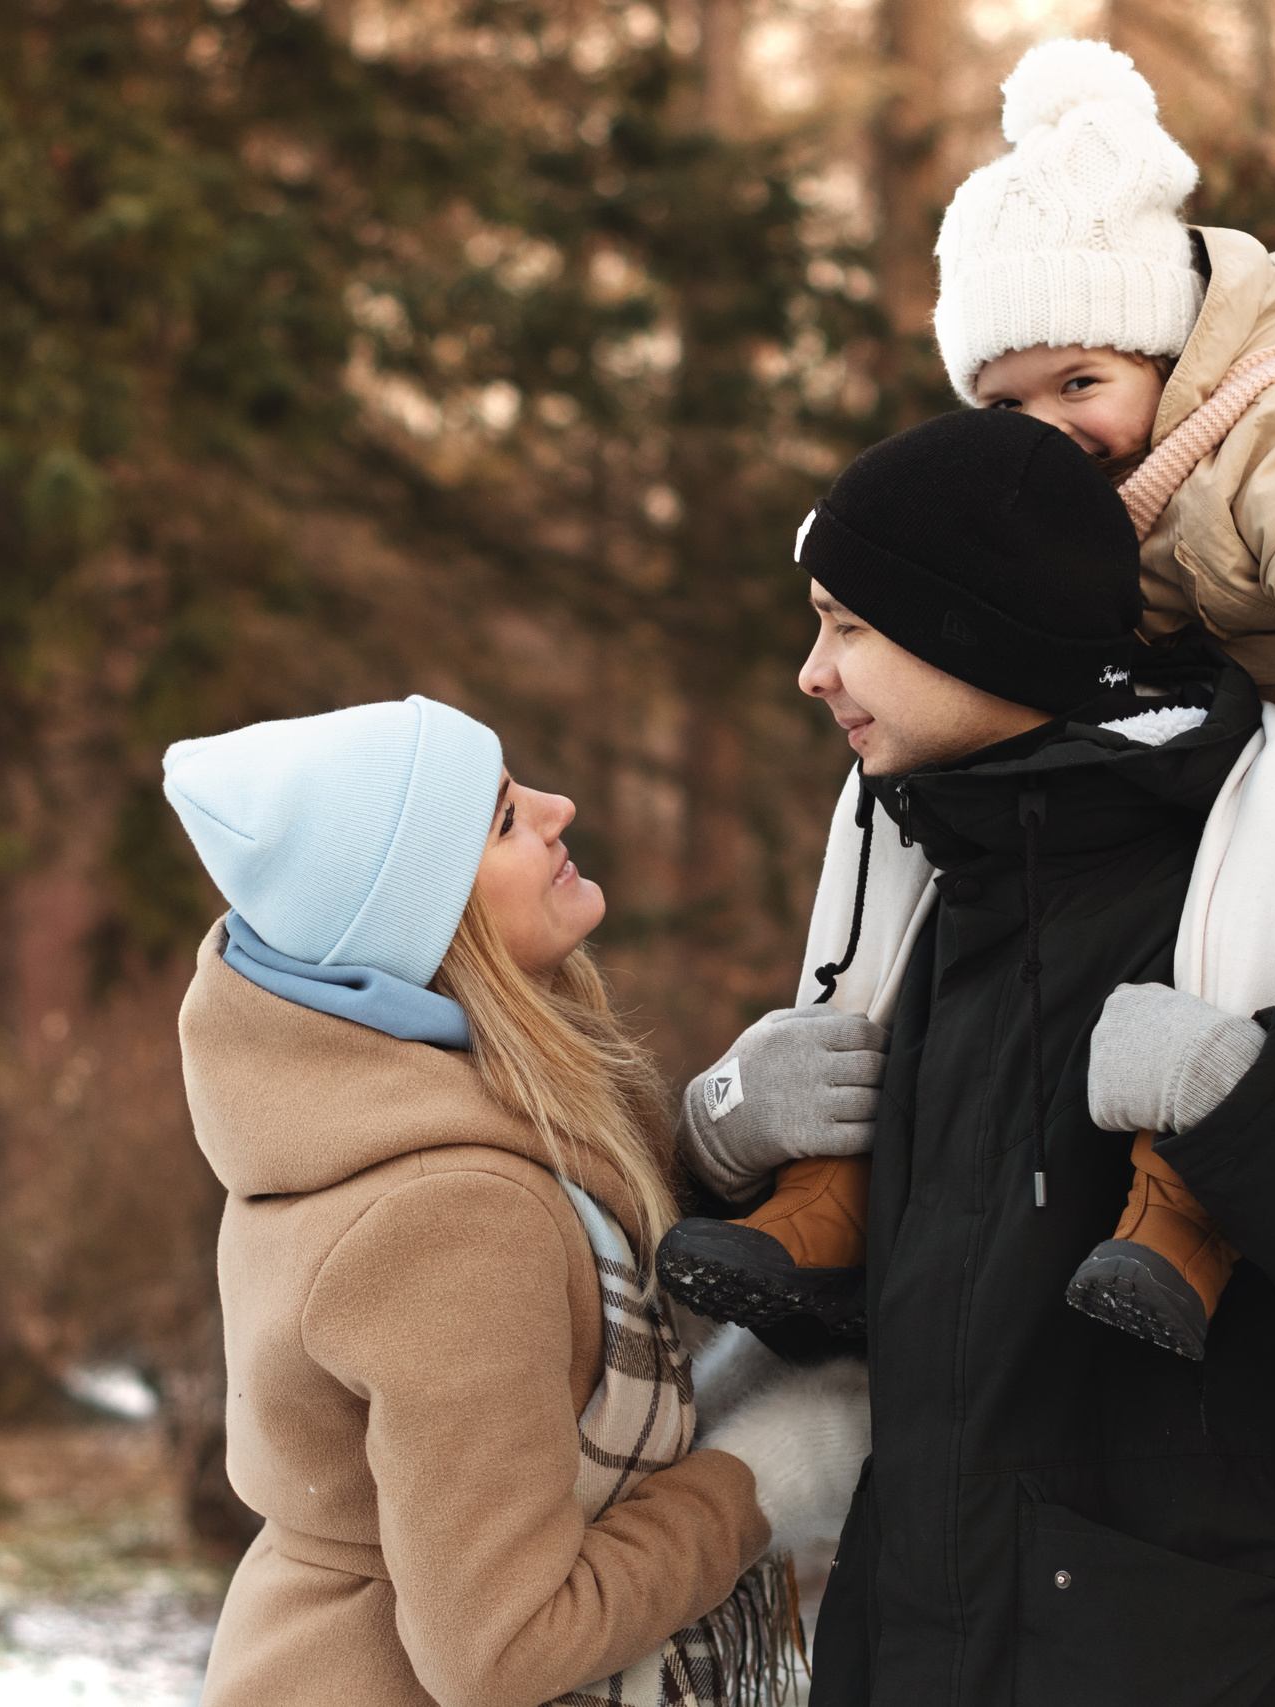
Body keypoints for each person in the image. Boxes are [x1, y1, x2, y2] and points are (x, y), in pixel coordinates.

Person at [660, 37, 1275, 1358]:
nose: (1047, 428)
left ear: (1165, 351)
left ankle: (1188, 1179)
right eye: (1007, 402)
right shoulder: (1079, 514)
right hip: (1172, 736)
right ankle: (829, 1158)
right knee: (884, 784)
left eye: (1080, 384)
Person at [673, 409, 1275, 1704]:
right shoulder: (931, 899)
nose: (812, 673)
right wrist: (722, 1137)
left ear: (974, 630)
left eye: (847, 627)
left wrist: (1243, 1105)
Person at [165, 695, 868, 1707]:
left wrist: (719, 1136)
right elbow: (505, 1648)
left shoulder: (381, 1111)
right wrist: (772, 1470)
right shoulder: (448, 1218)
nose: (556, 807)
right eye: (501, 819)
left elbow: (569, 1304)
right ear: (433, 922)